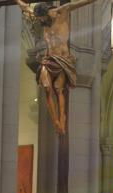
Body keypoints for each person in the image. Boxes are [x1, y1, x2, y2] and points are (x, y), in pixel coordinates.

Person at [15, 0, 96, 135]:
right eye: (39, 18)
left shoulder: (61, 13)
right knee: (47, 87)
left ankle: (62, 118)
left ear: (47, 13)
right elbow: (24, 7)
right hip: (48, 59)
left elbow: (77, 4)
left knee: (58, 89)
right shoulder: (41, 17)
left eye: (42, 18)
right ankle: (55, 122)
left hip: (62, 60)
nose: (40, 21)